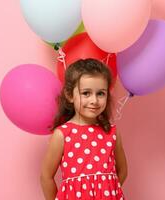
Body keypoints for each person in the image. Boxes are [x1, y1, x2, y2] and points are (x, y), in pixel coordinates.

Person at [40, 58, 127, 200]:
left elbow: (122, 170)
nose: (94, 100)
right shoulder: (62, 134)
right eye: (86, 93)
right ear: (70, 95)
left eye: (100, 93)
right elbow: (46, 176)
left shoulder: (111, 132)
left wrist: (107, 191)